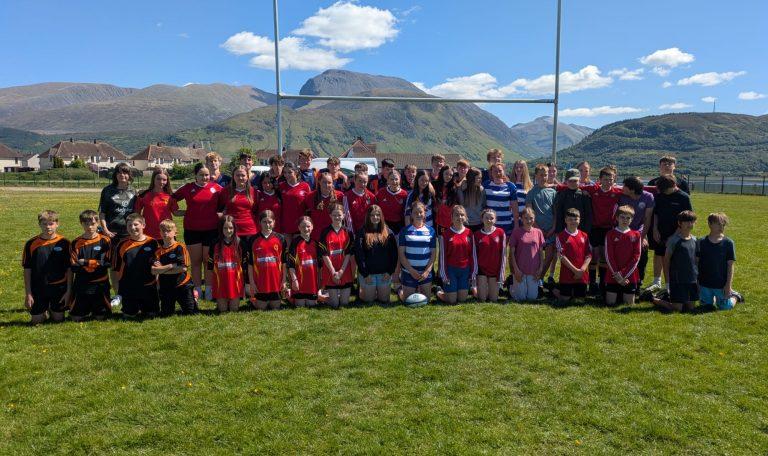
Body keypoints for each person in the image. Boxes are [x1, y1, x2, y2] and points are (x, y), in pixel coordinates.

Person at [171, 163, 223, 300]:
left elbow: (226, 204)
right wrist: (177, 212)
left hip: (211, 230)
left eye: (206, 174)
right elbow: (172, 198)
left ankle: (210, 290)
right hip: (192, 230)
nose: (204, 177)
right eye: (201, 174)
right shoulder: (188, 188)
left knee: (208, 261)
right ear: (195, 175)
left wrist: (221, 214)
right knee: (195, 261)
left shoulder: (217, 188)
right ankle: (197, 289)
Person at [22, 210, 71, 324]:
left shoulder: (65, 243)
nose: (48, 227)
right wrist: (28, 293)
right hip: (38, 287)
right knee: (36, 322)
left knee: (58, 319)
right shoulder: (31, 243)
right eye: (44, 224)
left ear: (57, 224)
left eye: (51, 224)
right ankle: (43, 311)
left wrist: (68, 291)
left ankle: (52, 309)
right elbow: (27, 269)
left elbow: (69, 269)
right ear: (39, 224)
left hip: (58, 287)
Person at [583, 166, 623, 295]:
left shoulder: (617, 193)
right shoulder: (593, 189)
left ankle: (602, 283)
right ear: (599, 180)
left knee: (605, 256)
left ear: (614, 179)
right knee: (594, 254)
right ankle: (592, 282)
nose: (608, 182)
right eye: (605, 179)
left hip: (608, 229)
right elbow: (573, 186)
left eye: (611, 179)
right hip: (595, 228)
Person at [110, 214, 160, 318]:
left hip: (148, 286)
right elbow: (115, 269)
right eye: (129, 225)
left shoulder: (153, 242)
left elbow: (158, 267)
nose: (133, 228)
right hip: (129, 288)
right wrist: (118, 292)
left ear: (143, 225)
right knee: (129, 315)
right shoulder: (121, 244)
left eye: (136, 224)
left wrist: (157, 285)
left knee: (152, 315)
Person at [650, 176, 693, 291]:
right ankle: (660, 283)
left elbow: (688, 218)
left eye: (666, 190)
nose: (664, 193)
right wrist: (655, 229)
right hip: (660, 233)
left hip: (678, 234)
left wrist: (674, 236)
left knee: (673, 260)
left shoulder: (683, 197)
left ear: (674, 186)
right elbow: (656, 214)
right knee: (661, 256)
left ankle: (672, 285)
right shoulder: (660, 194)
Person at [69, 210, 112, 321]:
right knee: (75, 318)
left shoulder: (105, 240)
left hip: (100, 283)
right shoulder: (76, 242)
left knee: (101, 317)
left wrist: (86, 262)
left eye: (92, 224)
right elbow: (74, 266)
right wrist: (97, 263)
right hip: (82, 283)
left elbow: (108, 263)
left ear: (97, 223)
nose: (90, 227)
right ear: (81, 224)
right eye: (86, 224)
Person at [653, 211, 698, 312]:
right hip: (678, 280)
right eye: (686, 222)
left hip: (691, 279)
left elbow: (696, 261)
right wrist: (668, 282)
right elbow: (666, 261)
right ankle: (654, 299)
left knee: (691, 308)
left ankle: (671, 297)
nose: (689, 224)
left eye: (692, 222)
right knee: (677, 309)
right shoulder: (673, 240)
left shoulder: (695, 240)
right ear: (679, 223)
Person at [153, 219, 197, 316]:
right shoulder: (158, 251)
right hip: (166, 286)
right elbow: (154, 270)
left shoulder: (180, 247)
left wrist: (162, 270)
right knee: (166, 314)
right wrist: (170, 266)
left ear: (175, 232)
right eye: (163, 230)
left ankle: (194, 297)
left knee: (190, 312)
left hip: (182, 284)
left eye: (168, 231)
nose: (165, 233)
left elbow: (183, 268)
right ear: (160, 232)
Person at [355, 205, 399, 304]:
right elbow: (359, 255)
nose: (375, 217)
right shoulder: (362, 232)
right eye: (372, 215)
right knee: (368, 301)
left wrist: (389, 272)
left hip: (384, 274)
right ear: (368, 217)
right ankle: (362, 289)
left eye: (378, 215)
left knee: (384, 300)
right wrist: (365, 274)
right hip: (368, 274)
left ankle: (378, 290)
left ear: (381, 216)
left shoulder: (388, 232)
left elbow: (394, 255)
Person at [698, 212, 739, 310]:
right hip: (704, 284)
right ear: (710, 224)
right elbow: (696, 264)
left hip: (721, 285)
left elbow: (730, 266)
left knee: (725, 307)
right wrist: (697, 283)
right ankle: (713, 298)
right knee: (706, 306)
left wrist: (728, 285)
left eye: (723, 224)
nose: (722, 227)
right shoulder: (701, 242)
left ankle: (736, 296)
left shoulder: (728, 243)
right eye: (719, 224)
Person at [248, 210, 287, 310]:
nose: (267, 224)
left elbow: (284, 263)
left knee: (275, 307)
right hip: (260, 282)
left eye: (270, 222)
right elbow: (250, 264)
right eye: (264, 222)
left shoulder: (281, 238)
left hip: (276, 281)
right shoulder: (253, 240)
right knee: (261, 307)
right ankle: (253, 300)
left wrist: (283, 280)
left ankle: (278, 298)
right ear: (259, 223)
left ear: (274, 222)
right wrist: (252, 283)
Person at [619, 176, 654, 288]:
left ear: (632, 190)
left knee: (642, 252)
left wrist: (642, 237)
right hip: (624, 230)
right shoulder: (622, 197)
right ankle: (622, 278)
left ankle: (639, 280)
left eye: (624, 186)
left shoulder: (648, 197)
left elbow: (647, 219)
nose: (622, 188)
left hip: (640, 231)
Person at [398, 201, 437, 302]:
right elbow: (401, 254)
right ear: (411, 214)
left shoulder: (431, 231)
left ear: (424, 214)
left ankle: (419, 287)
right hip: (409, 271)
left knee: (426, 300)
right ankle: (400, 291)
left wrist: (427, 271)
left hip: (425, 273)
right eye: (415, 212)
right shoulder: (404, 231)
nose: (418, 215)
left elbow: (433, 254)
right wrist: (411, 270)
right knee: (407, 300)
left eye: (421, 212)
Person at [604, 205, 642, 306]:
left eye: (628, 218)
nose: (625, 220)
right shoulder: (610, 234)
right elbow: (609, 256)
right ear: (617, 218)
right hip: (613, 274)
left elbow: (636, 256)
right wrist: (617, 274)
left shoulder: (636, 234)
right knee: (610, 303)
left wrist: (623, 274)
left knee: (629, 304)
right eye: (622, 217)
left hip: (630, 275)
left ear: (632, 219)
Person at [525, 164, 557, 285]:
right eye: (541, 175)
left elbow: (555, 212)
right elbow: (529, 212)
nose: (544, 177)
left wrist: (553, 227)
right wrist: (537, 228)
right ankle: (532, 276)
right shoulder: (531, 193)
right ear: (536, 176)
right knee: (537, 256)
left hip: (550, 230)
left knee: (549, 256)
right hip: (536, 230)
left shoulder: (553, 192)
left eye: (546, 175)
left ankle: (540, 278)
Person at [318, 203, 354, 308]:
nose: (337, 217)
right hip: (330, 269)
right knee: (334, 304)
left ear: (343, 215)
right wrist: (333, 272)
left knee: (344, 304)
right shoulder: (325, 232)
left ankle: (324, 294)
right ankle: (321, 297)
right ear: (330, 216)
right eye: (334, 215)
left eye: (339, 215)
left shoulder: (348, 232)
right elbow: (324, 255)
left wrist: (341, 271)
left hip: (344, 269)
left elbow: (348, 254)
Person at [437, 205, 475, 304]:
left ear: (466, 217)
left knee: (462, 299)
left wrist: (473, 272)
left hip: (465, 270)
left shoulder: (469, 233)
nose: (459, 217)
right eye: (457, 215)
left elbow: (473, 254)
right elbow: (442, 257)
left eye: (462, 215)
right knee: (452, 301)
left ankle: (460, 288)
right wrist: (444, 275)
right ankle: (438, 292)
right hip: (451, 270)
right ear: (452, 217)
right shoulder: (446, 234)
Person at [552, 209, 592, 303]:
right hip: (567, 274)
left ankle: (571, 291)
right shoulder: (560, 236)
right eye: (570, 219)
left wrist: (582, 270)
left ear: (579, 220)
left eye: (575, 219)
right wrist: (575, 270)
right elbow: (562, 256)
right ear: (565, 220)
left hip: (582, 275)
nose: (573, 222)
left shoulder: (584, 235)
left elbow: (589, 254)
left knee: (579, 300)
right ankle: (553, 290)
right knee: (565, 299)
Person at [208, 215, 245, 312]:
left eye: (231, 228)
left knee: (234, 309)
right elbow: (210, 267)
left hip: (235, 283)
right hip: (220, 283)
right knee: (222, 310)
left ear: (234, 228)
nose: (228, 231)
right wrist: (210, 287)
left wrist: (247, 285)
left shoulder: (240, 243)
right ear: (220, 228)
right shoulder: (214, 243)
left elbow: (245, 266)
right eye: (225, 228)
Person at [509, 207, 545, 302]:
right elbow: (511, 253)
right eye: (526, 218)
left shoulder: (538, 232)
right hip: (520, 270)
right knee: (521, 298)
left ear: (534, 218)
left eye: (531, 218)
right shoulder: (516, 232)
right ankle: (512, 287)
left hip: (533, 270)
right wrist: (516, 270)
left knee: (532, 298)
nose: (529, 221)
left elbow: (541, 252)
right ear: (521, 218)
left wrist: (540, 268)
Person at [473, 209, 507, 302]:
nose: (489, 220)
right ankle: (476, 289)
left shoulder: (500, 232)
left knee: (493, 299)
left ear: (495, 219)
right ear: (482, 219)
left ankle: (482, 289)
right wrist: (474, 272)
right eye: (486, 218)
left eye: (491, 218)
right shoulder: (477, 234)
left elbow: (504, 254)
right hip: (482, 270)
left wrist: (502, 273)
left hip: (494, 270)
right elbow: (474, 255)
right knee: (482, 299)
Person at [134, 167, 178, 240]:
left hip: (167, 233)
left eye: (164, 180)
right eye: (158, 179)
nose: (161, 182)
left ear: (167, 181)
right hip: (148, 233)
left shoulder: (170, 196)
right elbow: (137, 214)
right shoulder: (144, 195)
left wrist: (193, 210)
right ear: (153, 179)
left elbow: (176, 212)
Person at [286, 216, 321, 307]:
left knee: (311, 305)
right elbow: (291, 265)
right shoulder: (295, 243)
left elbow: (320, 265)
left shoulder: (315, 243)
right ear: (299, 228)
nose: (306, 229)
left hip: (312, 284)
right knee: (300, 305)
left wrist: (320, 282)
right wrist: (294, 280)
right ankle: (289, 295)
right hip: (299, 284)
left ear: (312, 227)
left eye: (308, 226)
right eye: (303, 227)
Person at [98, 162, 137, 240]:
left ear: (129, 175)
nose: (122, 175)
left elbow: (136, 213)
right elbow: (102, 213)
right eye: (119, 172)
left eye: (125, 173)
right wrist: (105, 230)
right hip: (111, 232)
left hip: (128, 232)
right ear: (115, 175)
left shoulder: (133, 191)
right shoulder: (107, 190)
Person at [305, 172, 346, 240]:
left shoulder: (340, 196)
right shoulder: (310, 196)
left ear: (332, 183)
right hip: (316, 235)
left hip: (334, 234)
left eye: (329, 182)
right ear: (319, 182)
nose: (326, 185)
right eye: (324, 182)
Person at [279, 162, 311, 244]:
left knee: (299, 248)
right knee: (289, 250)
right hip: (286, 224)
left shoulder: (305, 186)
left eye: (290, 172)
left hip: (301, 224)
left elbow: (309, 206)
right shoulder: (281, 186)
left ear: (296, 172)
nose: (287, 175)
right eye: (285, 172)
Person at [553, 169, 592, 235]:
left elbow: (588, 215)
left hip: (581, 231)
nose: (573, 183)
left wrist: (586, 232)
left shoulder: (584, 195)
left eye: (575, 181)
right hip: (565, 231)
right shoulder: (562, 195)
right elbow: (559, 215)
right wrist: (559, 231)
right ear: (566, 181)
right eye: (570, 181)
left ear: (579, 180)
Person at [484, 163, 519, 233]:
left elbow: (515, 208)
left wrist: (516, 225)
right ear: (491, 173)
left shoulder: (511, 186)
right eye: (495, 171)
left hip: (506, 224)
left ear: (504, 171)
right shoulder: (485, 185)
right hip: (489, 224)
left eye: (500, 171)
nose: (498, 173)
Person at [374, 170, 408, 235]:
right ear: (388, 180)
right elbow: (376, 208)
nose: (394, 182)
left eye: (396, 179)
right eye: (391, 179)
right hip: (384, 224)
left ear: (400, 180)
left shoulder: (404, 194)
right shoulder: (381, 192)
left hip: (399, 225)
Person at [433, 165, 456, 234]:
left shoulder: (455, 187)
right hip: (439, 221)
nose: (448, 177)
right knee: (442, 241)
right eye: (446, 174)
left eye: (451, 175)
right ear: (442, 173)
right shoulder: (434, 185)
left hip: (451, 221)